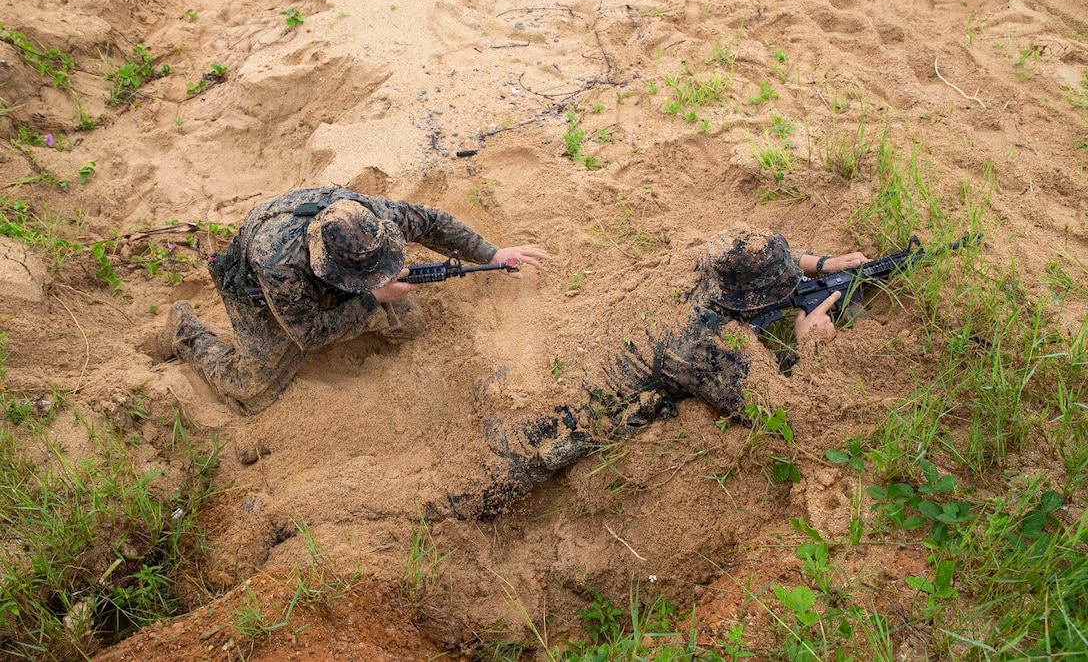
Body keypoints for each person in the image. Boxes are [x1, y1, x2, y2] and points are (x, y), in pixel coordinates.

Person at [445, 225, 867, 519]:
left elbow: (747, 254)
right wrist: (811, 347)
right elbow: (786, 418)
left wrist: (821, 263)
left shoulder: (701, 263)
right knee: (458, 502)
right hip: (528, 439)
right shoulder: (706, 345)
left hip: (528, 370)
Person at [160, 186, 547, 415]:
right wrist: (373, 298)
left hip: (319, 275)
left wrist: (491, 253)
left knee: (408, 322)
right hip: (257, 292)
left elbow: (431, 222)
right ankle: (184, 331)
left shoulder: (371, 216)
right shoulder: (277, 263)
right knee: (253, 390)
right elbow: (308, 334)